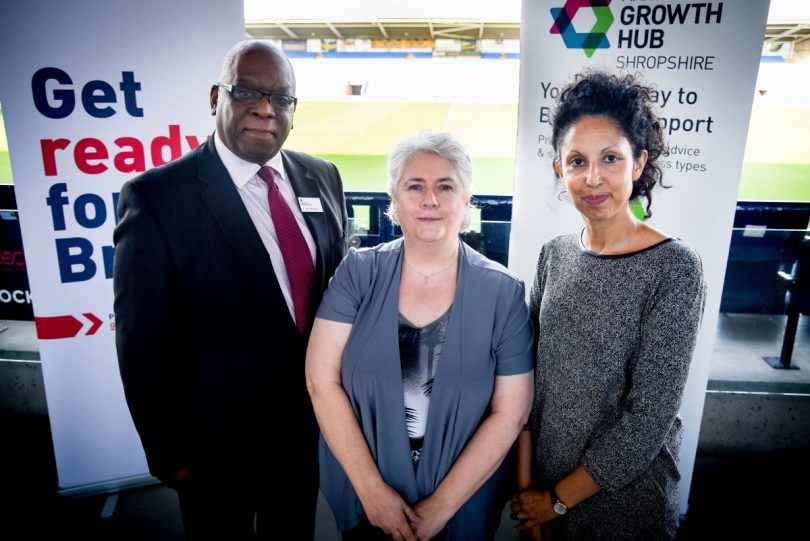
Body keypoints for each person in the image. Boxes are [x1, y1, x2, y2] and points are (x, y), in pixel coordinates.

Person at [113, 40, 347, 540]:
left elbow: (336, 293)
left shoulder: (322, 177)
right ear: (216, 96)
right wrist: (164, 450)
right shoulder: (157, 197)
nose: (266, 109)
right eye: (247, 92)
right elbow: (141, 339)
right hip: (212, 450)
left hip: (306, 434)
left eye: (282, 99)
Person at [306, 130, 534, 540]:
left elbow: (511, 412)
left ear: (466, 201)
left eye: (445, 187)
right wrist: (372, 491)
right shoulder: (358, 273)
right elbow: (321, 380)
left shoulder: (504, 292)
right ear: (395, 200)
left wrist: (441, 507)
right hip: (367, 504)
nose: (430, 199)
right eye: (415, 186)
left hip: (460, 508)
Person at [510, 70, 707, 540]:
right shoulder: (553, 254)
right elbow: (527, 386)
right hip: (542, 500)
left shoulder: (675, 268)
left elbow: (649, 419)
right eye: (576, 160)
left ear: (638, 164)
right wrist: (527, 498)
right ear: (560, 168)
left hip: (624, 509)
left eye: (611, 159)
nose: (592, 177)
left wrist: (558, 501)